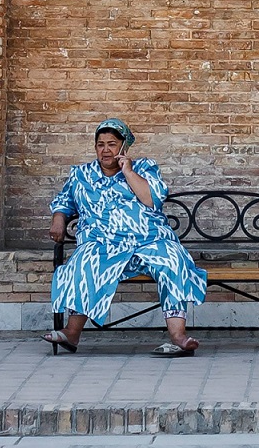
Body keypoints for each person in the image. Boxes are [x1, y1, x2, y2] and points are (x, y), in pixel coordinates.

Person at [40, 119, 207, 357]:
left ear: (123, 147)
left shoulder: (145, 168)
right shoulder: (81, 175)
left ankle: (178, 336)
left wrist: (128, 171)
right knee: (85, 261)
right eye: (100, 144)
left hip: (148, 241)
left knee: (172, 260)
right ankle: (72, 333)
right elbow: (64, 201)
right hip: (102, 244)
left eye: (112, 144)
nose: (105, 149)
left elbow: (152, 200)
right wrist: (58, 218)